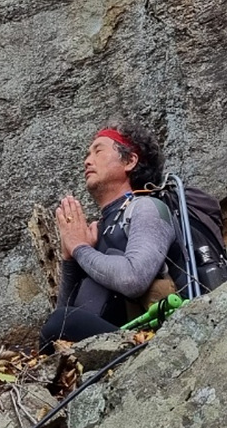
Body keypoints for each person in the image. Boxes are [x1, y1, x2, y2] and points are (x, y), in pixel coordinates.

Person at [40, 122, 175, 351]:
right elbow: (64, 317)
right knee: (56, 324)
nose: (87, 161)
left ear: (129, 161)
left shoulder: (147, 207)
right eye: (87, 154)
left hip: (147, 345)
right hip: (106, 344)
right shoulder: (97, 230)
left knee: (57, 323)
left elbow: (133, 279)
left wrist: (80, 248)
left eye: (98, 151)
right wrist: (70, 259)